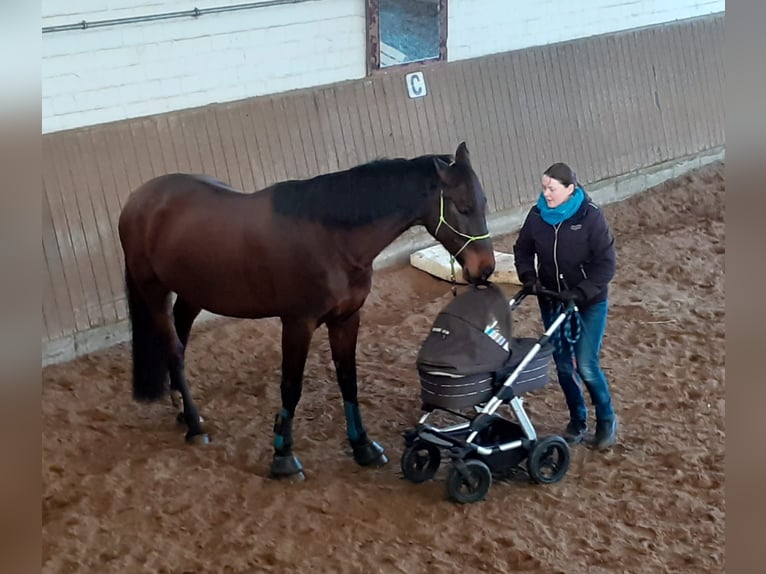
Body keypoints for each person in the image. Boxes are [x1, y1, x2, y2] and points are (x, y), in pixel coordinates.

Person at [513, 162, 618, 449]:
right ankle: (577, 419)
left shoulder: (591, 218)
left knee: (585, 363)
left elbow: (607, 264)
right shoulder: (537, 216)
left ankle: (607, 418)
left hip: (588, 302)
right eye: (543, 187)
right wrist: (529, 276)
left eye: (552, 189)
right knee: (562, 364)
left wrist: (582, 291)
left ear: (570, 189)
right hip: (553, 299)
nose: (545, 193)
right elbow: (522, 249)